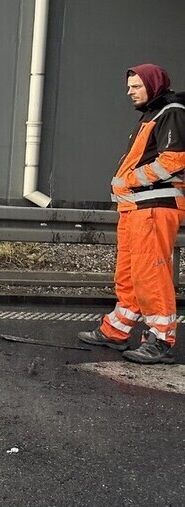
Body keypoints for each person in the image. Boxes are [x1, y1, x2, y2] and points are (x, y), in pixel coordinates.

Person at [78, 64, 185, 364]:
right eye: (129, 86)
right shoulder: (153, 114)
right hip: (137, 207)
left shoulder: (170, 112)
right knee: (129, 273)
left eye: (136, 86)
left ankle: (161, 339)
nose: (129, 92)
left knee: (150, 273)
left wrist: (130, 181)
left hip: (153, 207)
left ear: (153, 85)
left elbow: (174, 160)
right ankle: (118, 328)